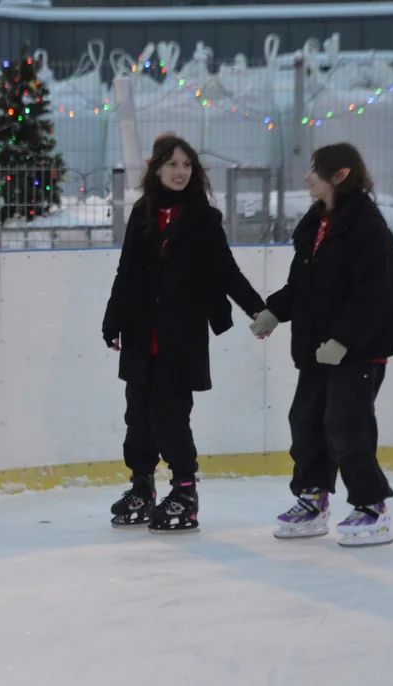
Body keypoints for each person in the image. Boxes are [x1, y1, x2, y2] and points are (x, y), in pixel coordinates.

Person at [102, 134, 266, 532]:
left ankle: (185, 491)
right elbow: (126, 272)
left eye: (187, 165)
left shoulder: (201, 217)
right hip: (141, 335)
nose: (180, 172)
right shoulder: (143, 211)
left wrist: (258, 309)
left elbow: (225, 270)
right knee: (137, 418)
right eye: (173, 164)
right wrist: (112, 321)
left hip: (180, 337)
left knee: (170, 418)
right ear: (157, 168)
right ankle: (143, 486)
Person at [249, 142, 393, 547]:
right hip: (317, 349)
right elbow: (303, 286)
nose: (306, 177)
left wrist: (343, 340)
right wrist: (274, 312)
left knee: (346, 426)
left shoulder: (367, 228)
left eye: (314, 170)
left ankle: (372, 507)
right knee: (307, 422)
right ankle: (313, 500)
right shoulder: (317, 225)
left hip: (357, 350)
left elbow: (375, 295)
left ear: (341, 176)